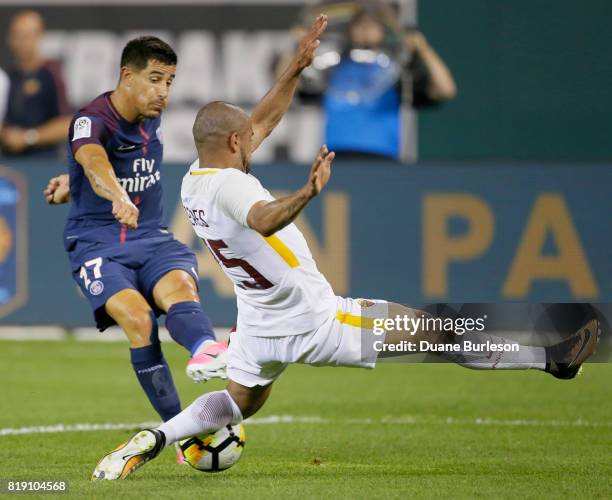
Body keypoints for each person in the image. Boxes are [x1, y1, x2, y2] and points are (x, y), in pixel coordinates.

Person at [90, 15, 599, 480]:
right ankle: (550, 356)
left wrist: (294, 68)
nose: (255, 135)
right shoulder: (234, 188)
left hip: (261, 328)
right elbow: (264, 218)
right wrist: (307, 193)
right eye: (247, 136)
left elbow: (261, 121)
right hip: (316, 321)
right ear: (234, 144)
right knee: (441, 328)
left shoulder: (197, 181)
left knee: (237, 402)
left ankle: (156, 436)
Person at [42, 36, 229, 432]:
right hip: (97, 243)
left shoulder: (150, 115)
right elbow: (93, 160)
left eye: (170, 81)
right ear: (127, 76)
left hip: (151, 236)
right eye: (155, 79)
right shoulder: (91, 119)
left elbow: (93, 169)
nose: (163, 92)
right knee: (139, 318)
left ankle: (206, 351)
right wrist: (115, 194)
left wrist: (70, 183)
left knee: (180, 288)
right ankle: (180, 431)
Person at [285, 2, 456, 160]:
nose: (365, 29)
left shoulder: (396, 71)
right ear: (350, 30)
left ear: (383, 31)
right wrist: (296, 46)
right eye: (360, 24)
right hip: (335, 158)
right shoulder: (332, 67)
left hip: (382, 159)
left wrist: (421, 46)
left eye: (372, 24)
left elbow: (446, 89)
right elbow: (285, 87)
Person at [1, 10, 72, 158]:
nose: (22, 42)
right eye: (17, 36)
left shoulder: (51, 74)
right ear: (10, 39)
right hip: (8, 160)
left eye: (27, 36)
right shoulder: (7, 77)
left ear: (40, 36)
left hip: (43, 161)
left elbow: (66, 123)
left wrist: (28, 137)